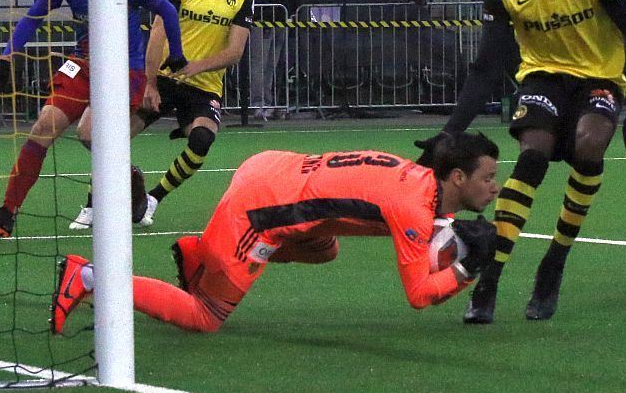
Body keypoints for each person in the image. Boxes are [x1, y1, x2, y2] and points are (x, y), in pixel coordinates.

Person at [415, 0, 626, 324]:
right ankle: (490, 277)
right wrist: (450, 132)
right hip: (543, 77)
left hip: (598, 78)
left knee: (589, 144)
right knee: (532, 153)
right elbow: (487, 66)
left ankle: (554, 262)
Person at [52, 132, 501, 334]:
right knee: (205, 317)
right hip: (261, 210)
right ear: (457, 177)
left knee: (326, 248)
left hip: (273, 167)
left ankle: (204, 258)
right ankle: (88, 277)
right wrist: (466, 268)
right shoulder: (412, 210)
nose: (495, 187)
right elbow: (419, 294)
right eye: (488, 178)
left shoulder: (420, 181)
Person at [0, 0, 187, 238]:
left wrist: (177, 54)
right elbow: (33, 17)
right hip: (81, 64)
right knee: (42, 127)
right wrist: (6, 57)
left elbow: (167, 10)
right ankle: (7, 213)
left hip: (124, 69)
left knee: (89, 134)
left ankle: (131, 181)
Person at [70, 0, 253, 228]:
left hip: (204, 86)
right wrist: (150, 82)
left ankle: (153, 198)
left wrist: (197, 66)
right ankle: (93, 204)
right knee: (114, 137)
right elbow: (157, 33)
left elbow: (235, 52)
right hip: (165, 79)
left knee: (203, 139)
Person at [240, 0, 313, 120]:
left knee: (273, 63)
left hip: (280, 16)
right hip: (261, 18)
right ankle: (257, 103)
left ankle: (269, 101)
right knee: (259, 62)